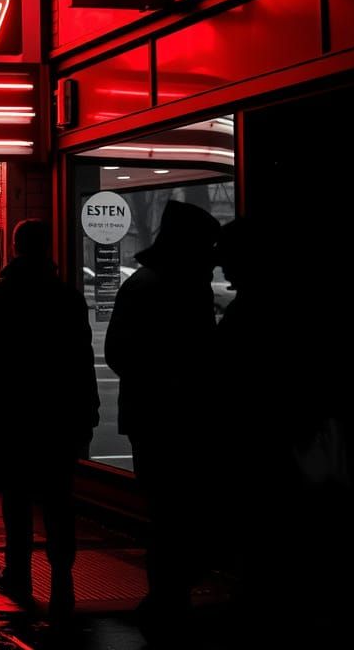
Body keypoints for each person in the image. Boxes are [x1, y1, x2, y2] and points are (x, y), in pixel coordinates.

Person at [0, 220, 98, 626]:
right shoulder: (68, 299)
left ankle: (19, 574)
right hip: (57, 417)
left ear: (16, 248)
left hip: (11, 416)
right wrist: (86, 414)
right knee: (59, 500)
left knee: (16, 499)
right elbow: (81, 364)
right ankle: (63, 580)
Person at [104, 199, 221, 641]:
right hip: (184, 421)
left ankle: (165, 595)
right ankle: (173, 595)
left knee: (164, 513)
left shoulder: (141, 287)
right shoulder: (187, 291)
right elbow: (205, 359)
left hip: (149, 418)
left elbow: (118, 353)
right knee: (183, 511)